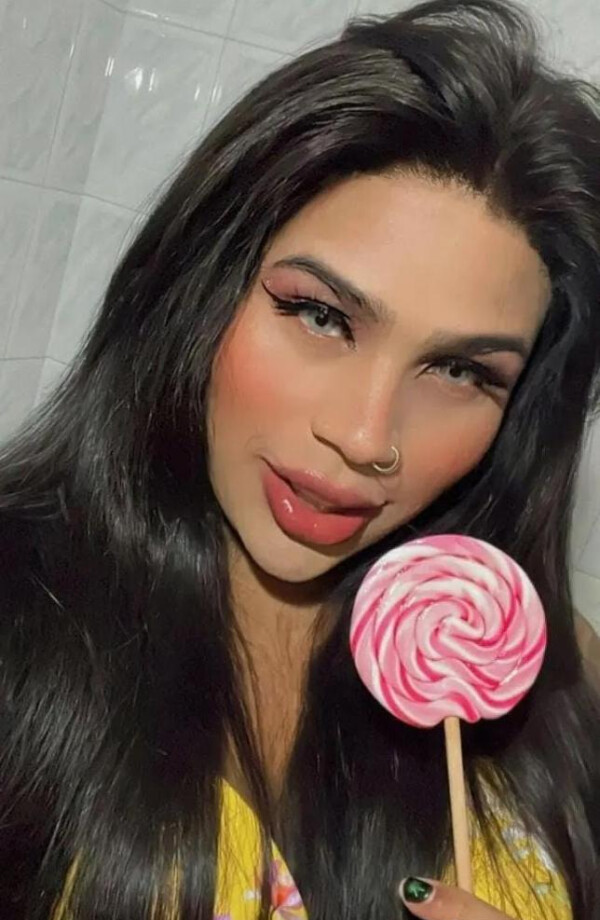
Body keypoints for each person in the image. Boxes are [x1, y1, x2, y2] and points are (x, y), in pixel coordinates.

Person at [0, 0, 599, 917]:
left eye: (460, 371)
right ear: (200, 287)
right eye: (320, 315)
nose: (365, 437)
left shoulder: (552, 675)